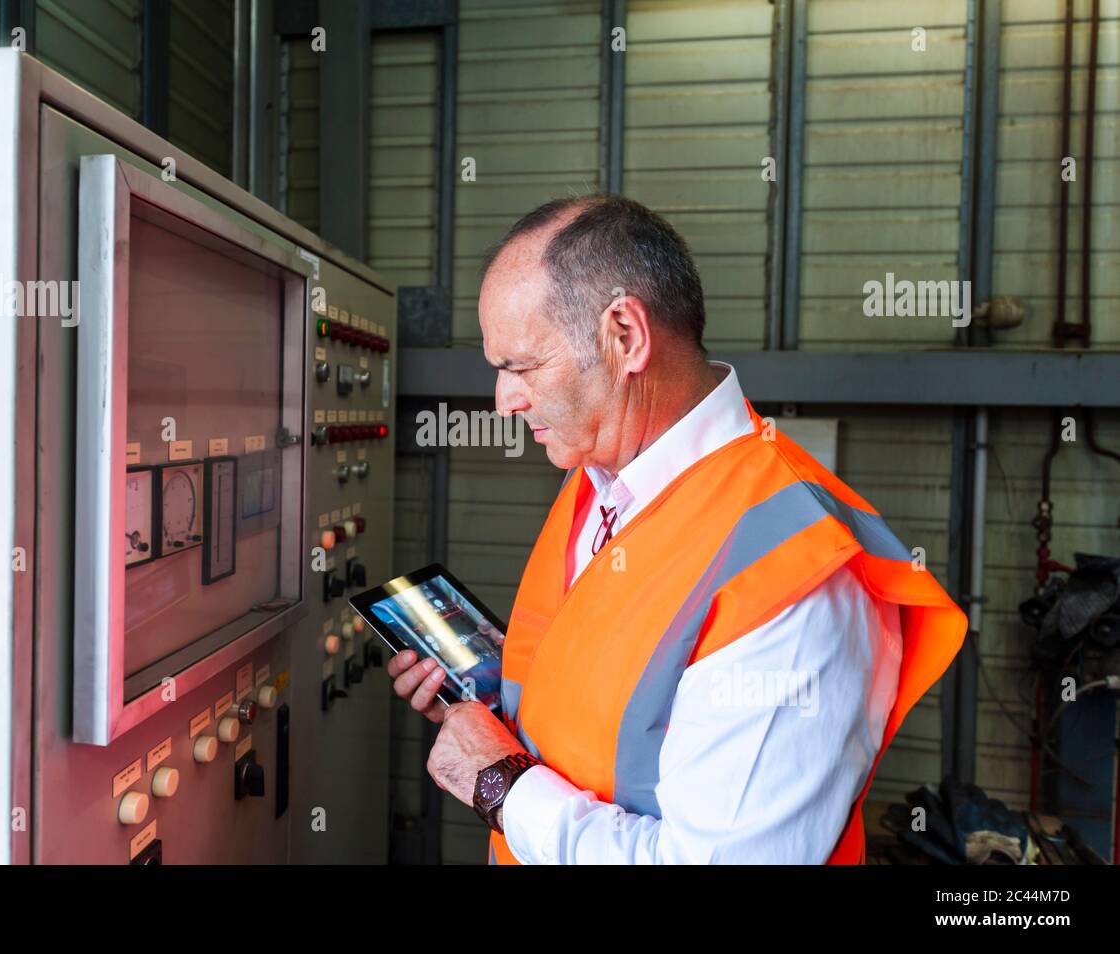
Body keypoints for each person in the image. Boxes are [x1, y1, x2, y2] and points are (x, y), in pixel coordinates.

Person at [387, 195, 967, 864]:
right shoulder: (603, 472)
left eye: (521, 366)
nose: (504, 400)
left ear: (626, 336)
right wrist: (489, 718)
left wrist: (498, 783)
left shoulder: (796, 579)